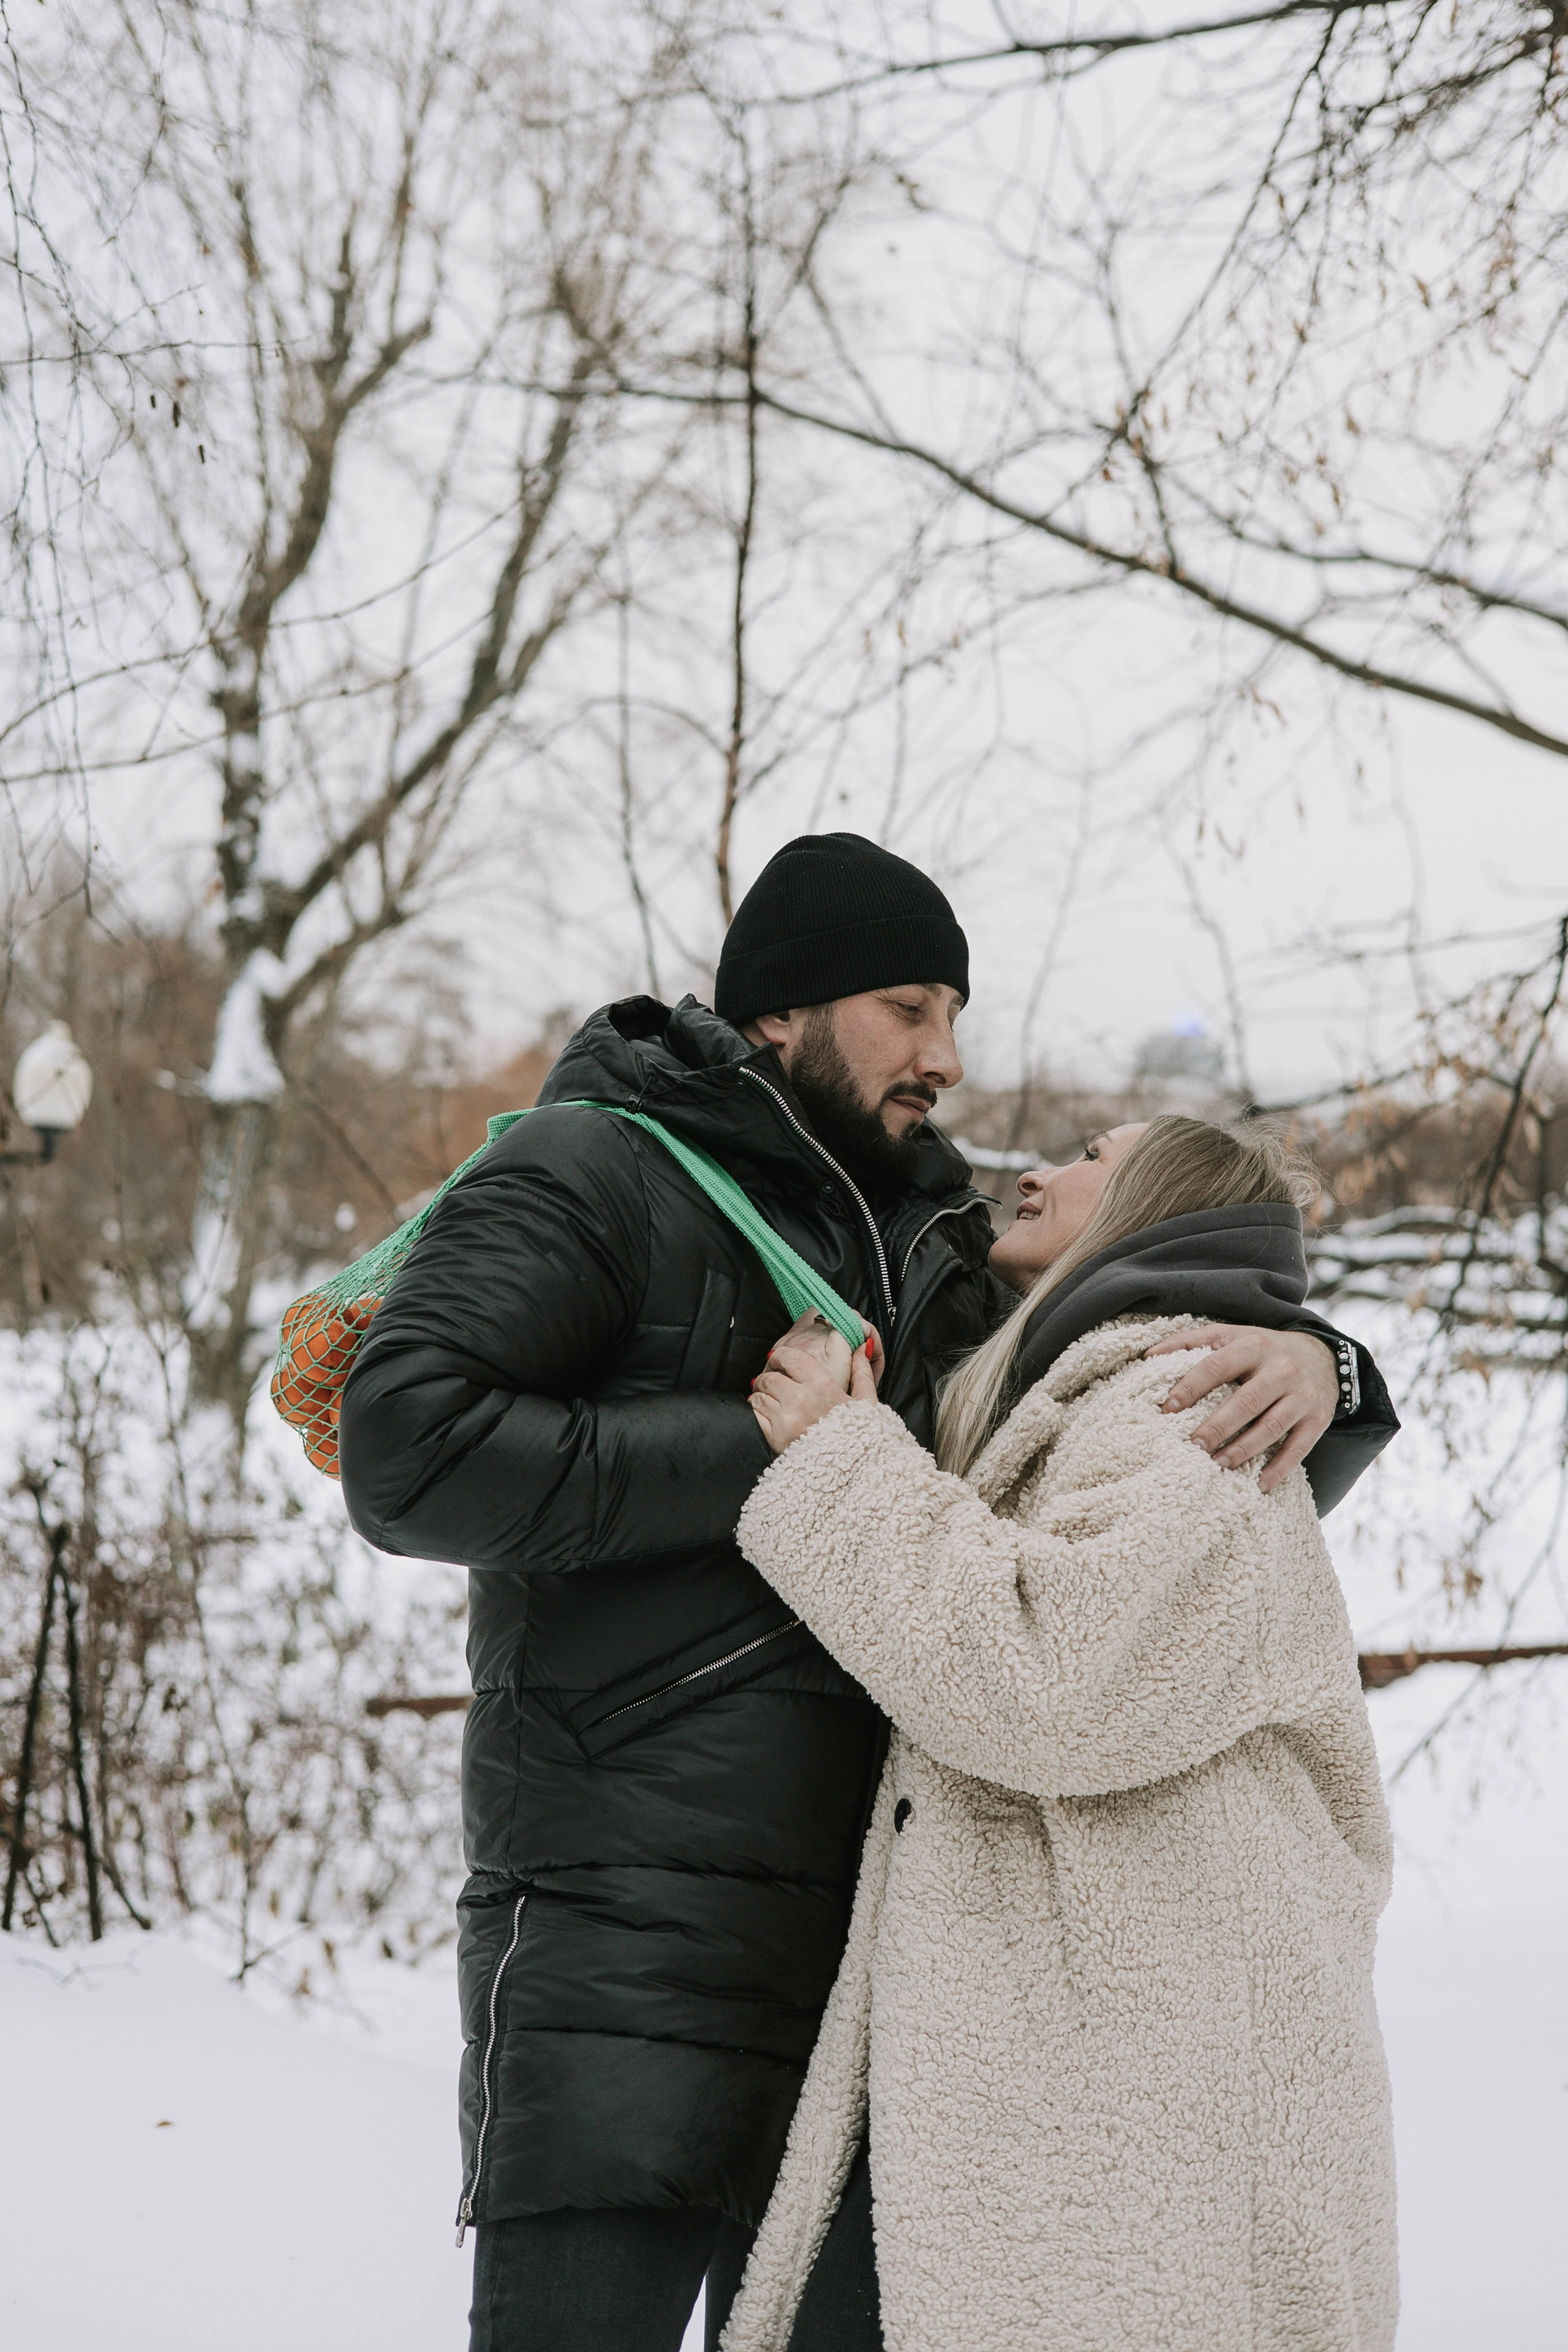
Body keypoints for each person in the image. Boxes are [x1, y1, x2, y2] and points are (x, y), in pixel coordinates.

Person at [337, 835, 1397, 2352]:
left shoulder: (940, 1238)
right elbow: (406, 1450)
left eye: (953, 1012)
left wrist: (1329, 1363)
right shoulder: (588, 1166)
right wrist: (771, 1452)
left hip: (886, 1978)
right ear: (782, 1008)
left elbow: (1167, 1395)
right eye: (906, 1008)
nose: (946, 1058)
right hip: (630, 1929)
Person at [731, 1115, 1398, 2352]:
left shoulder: (1183, 1408)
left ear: (1161, 1207)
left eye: (1090, 1152)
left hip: (1123, 2126)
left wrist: (835, 1458)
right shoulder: (1078, 1399)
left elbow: (1053, 1682)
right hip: (1073, 2103)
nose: (1033, 1169)